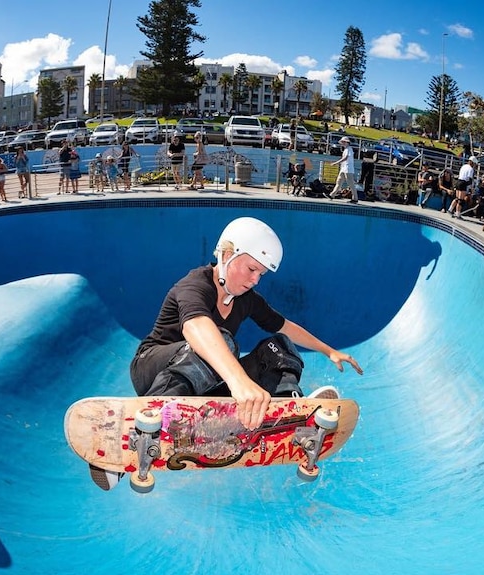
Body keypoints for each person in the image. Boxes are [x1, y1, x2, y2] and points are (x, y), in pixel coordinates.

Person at [130, 217, 363, 431]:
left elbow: (284, 326)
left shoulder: (247, 299)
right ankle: (150, 419)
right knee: (222, 342)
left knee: (279, 347)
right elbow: (196, 327)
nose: (255, 280)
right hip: (152, 371)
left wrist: (328, 351)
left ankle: (284, 416)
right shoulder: (194, 285)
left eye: (261, 274)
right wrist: (238, 381)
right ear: (226, 255)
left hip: (205, 384)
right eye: (252, 269)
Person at [329, 136, 356, 203]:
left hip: (348, 169)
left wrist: (336, 163)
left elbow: (345, 158)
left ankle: (355, 198)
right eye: (342, 142)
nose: (342, 143)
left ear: (347, 142)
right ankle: (332, 195)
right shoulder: (346, 149)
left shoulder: (349, 149)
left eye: (343, 142)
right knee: (339, 182)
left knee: (351, 184)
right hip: (344, 168)